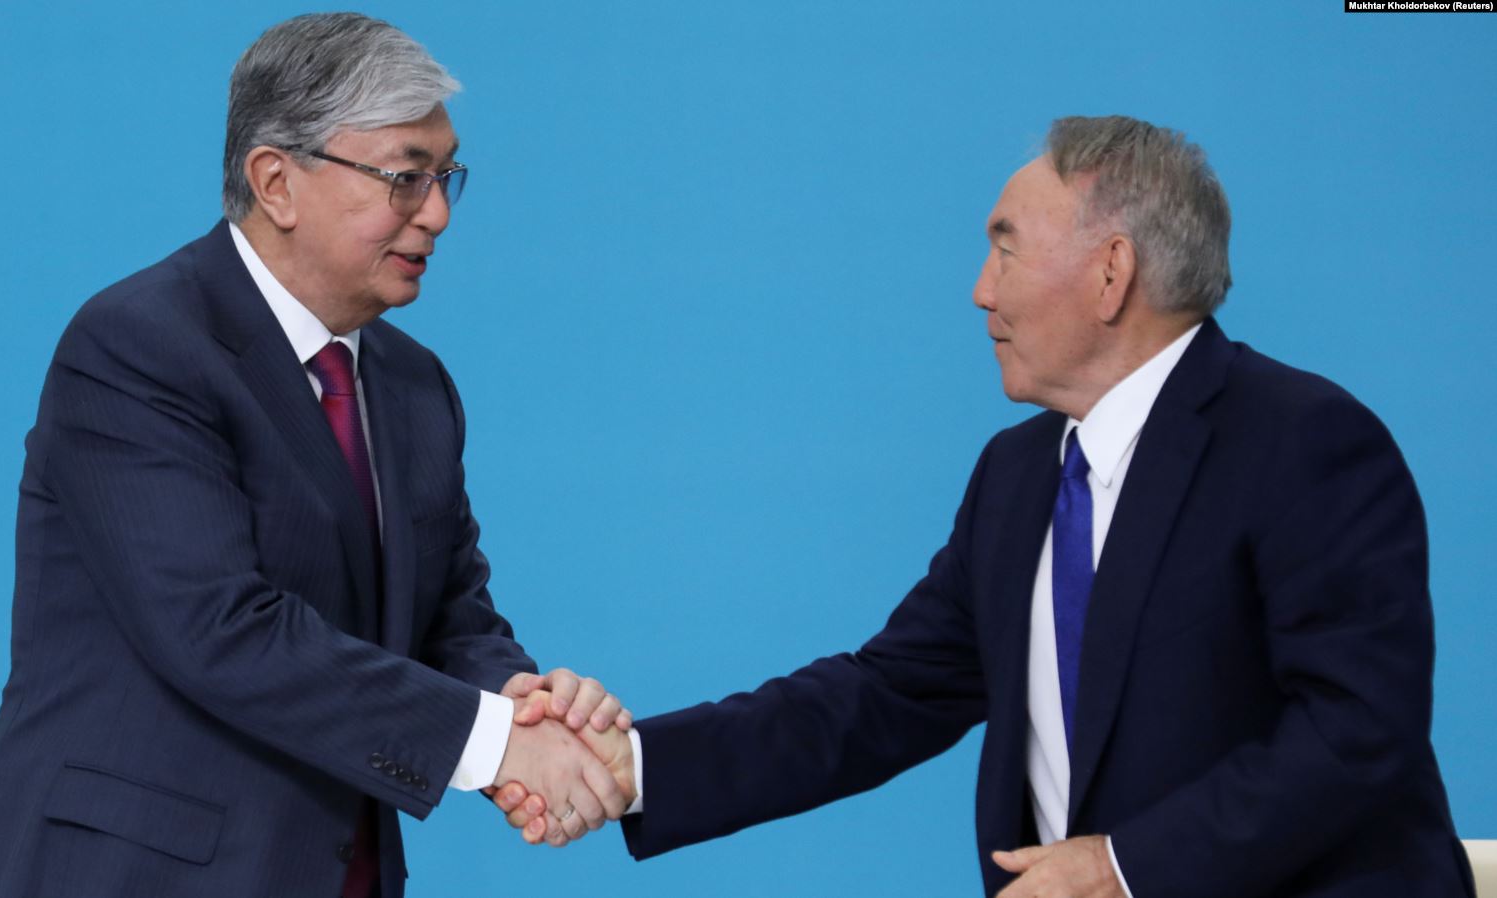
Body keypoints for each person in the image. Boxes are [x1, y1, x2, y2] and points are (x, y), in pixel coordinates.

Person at [502, 115, 1476, 897]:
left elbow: (1355, 731)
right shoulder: (1017, 475)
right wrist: (634, 764)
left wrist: (1125, 867)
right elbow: (881, 696)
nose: (979, 291)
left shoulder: (1300, 439)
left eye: (1004, 250)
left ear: (1110, 273)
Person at [0, 13, 627, 898]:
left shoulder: (413, 382)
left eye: (445, 176)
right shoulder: (137, 345)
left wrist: (523, 699)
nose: (436, 213)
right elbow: (221, 631)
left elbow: (447, 615)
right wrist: (499, 745)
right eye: (404, 178)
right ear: (275, 181)